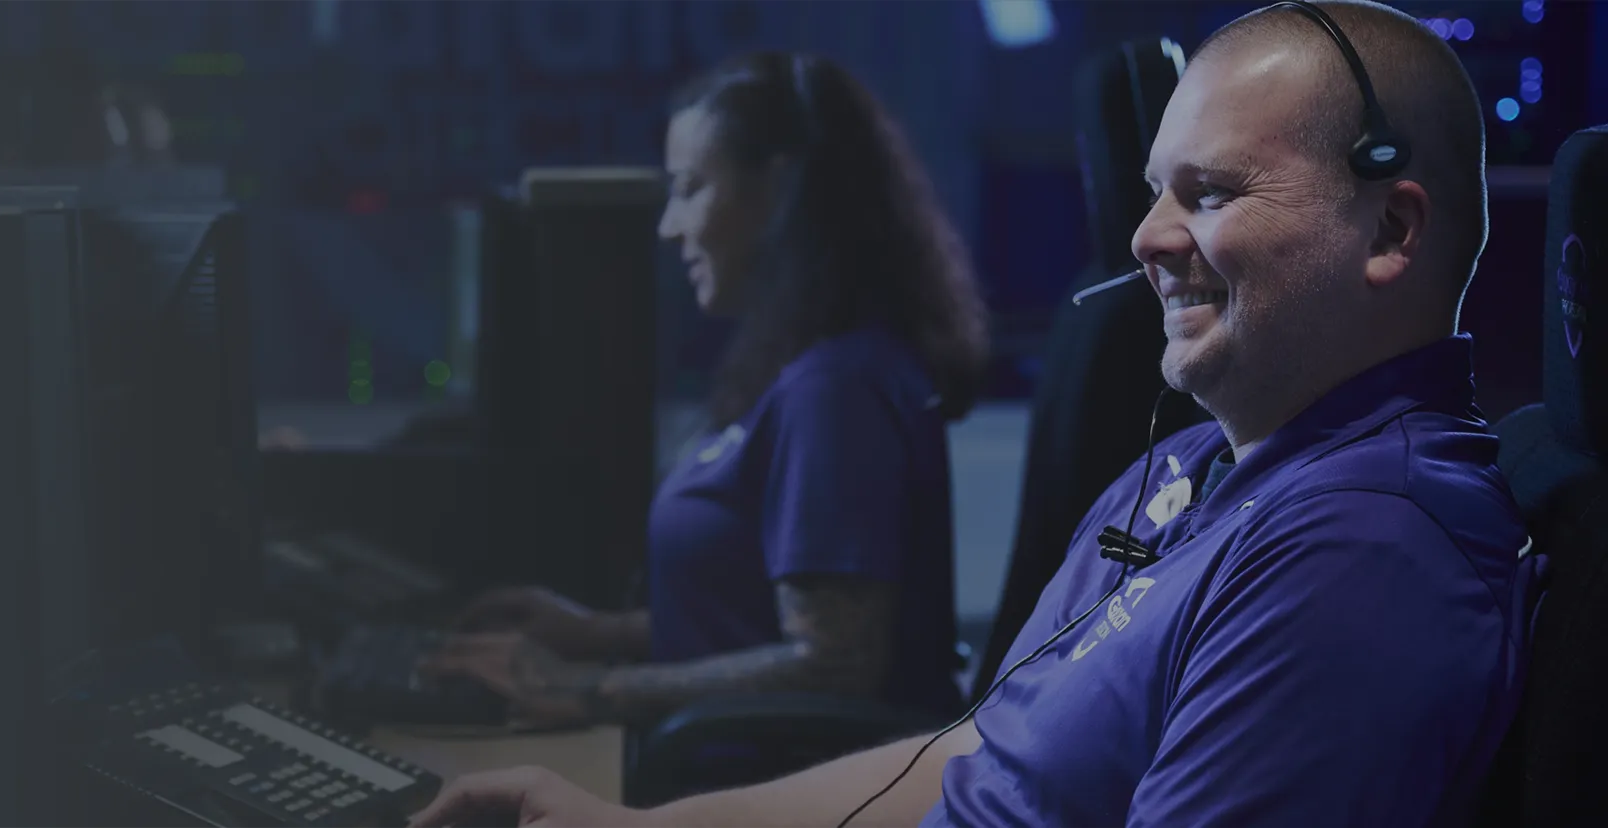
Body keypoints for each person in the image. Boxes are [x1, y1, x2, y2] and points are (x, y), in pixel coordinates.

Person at [408, 2, 1538, 825]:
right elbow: (976, 762)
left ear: (1390, 232)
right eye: (1155, 189)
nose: (1147, 237)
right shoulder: (1189, 469)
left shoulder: (1359, 555)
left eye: (1210, 193)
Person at [423, 51, 991, 728]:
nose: (669, 226)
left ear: (778, 192)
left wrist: (588, 688)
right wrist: (596, 633)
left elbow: (834, 664)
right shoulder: (804, 370)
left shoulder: (837, 390)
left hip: (784, 778)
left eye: (691, 188)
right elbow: (750, 618)